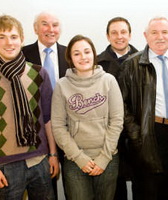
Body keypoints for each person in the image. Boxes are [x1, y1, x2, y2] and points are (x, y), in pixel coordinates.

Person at [0, 15, 58, 199]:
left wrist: (53, 154)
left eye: (14, 37)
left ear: (22, 40)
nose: (9, 42)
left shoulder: (39, 73)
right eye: (2, 37)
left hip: (40, 161)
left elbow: (48, 118)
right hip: (6, 167)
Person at [119, 16, 168, 200]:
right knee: (148, 193)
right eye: (154, 32)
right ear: (146, 36)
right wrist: (137, 136)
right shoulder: (132, 65)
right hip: (148, 137)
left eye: (164, 32)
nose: (160, 37)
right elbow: (121, 106)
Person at [51, 34, 124, 200]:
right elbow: (58, 126)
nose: (83, 57)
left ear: (94, 54)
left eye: (87, 52)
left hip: (107, 158)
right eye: (77, 53)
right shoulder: (62, 85)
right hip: (75, 160)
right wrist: (79, 158)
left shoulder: (109, 81)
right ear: (70, 58)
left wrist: (104, 157)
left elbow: (117, 121)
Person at [22, 11, 68, 199]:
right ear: (35, 28)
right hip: (38, 132)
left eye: (55, 25)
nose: (51, 29)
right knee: (45, 190)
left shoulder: (71, 53)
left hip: (70, 129)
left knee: (75, 185)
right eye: (45, 24)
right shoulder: (22, 54)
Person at [96, 17, 138, 200]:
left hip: (137, 132)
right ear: (107, 36)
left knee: (141, 182)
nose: (119, 36)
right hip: (109, 134)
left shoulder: (144, 60)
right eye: (114, 32)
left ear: (130, 34)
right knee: (115, 186)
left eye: (123, 32)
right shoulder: (96, 64)